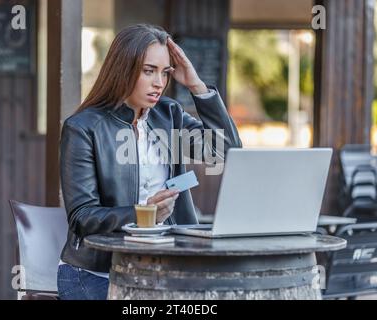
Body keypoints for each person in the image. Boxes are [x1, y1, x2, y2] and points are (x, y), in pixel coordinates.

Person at [57, 24, 242, 300]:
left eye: (165, 73)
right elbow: (83, 218)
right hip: (96, 273)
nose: (159, 83)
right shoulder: (83, 128)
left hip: (163, 269)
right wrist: (145, 214)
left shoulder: (168, 115)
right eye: (148, 71)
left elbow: (226, 150)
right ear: (123, 68)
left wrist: (196, 86)